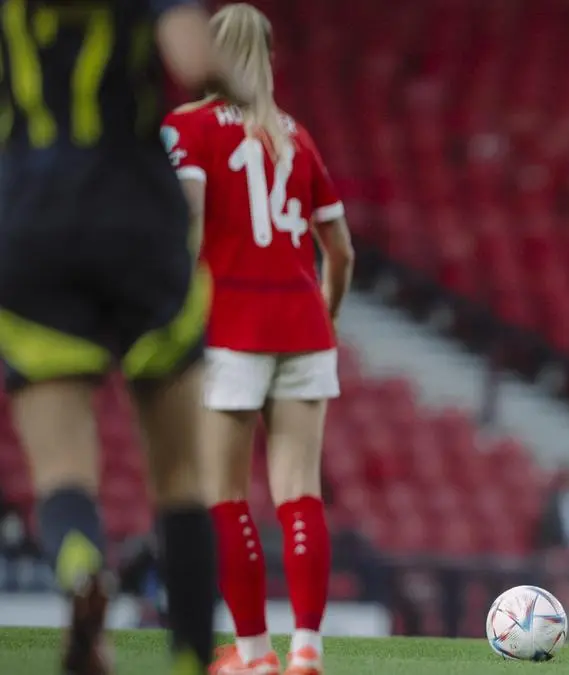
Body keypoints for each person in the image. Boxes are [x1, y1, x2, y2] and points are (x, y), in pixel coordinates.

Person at [0, 1, 248, 673]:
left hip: (28, 223)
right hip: (137, 216)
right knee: (182, 476)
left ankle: (82, 567)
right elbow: (194, 62)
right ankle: (191, 657)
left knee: (61, 471)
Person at [161, 5, 354, 674]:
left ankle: (252, 656)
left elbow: (185, 221)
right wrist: (324, 313)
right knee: (300, 491)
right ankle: (306, 650)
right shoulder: (296, 137)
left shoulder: (184, 129)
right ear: (268, 58)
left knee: (225, 493)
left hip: (231, 326)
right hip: (303, 326)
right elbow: (342, 251)